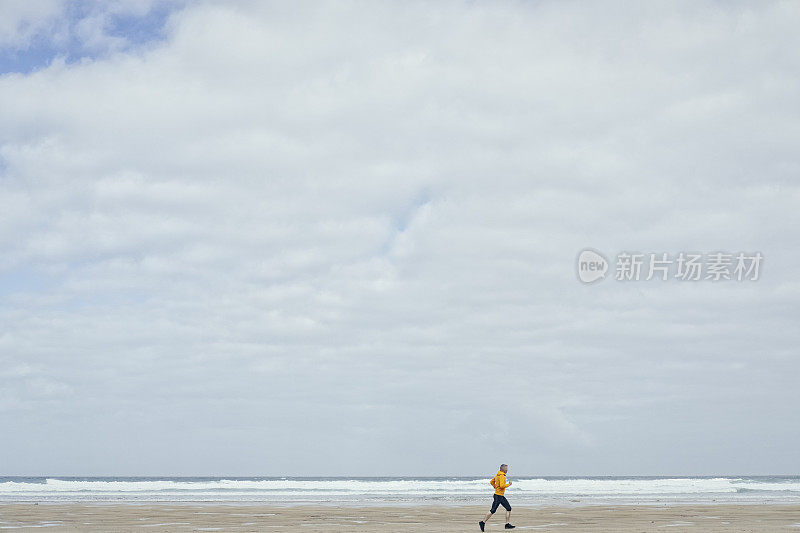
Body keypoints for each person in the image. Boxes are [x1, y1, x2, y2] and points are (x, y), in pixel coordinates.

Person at [479, 463, 515, 530]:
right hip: (498, 496)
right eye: (506, 468)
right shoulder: (501, 476)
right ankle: (482, 522)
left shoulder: (497, 475)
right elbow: (501, 486)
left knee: (508, 508)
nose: (507, 470)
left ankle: (507, 524)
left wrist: (496, 487)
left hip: (500, 496)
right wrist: (508, 484)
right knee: (493, 510)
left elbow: (491, 482)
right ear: (503, 469)